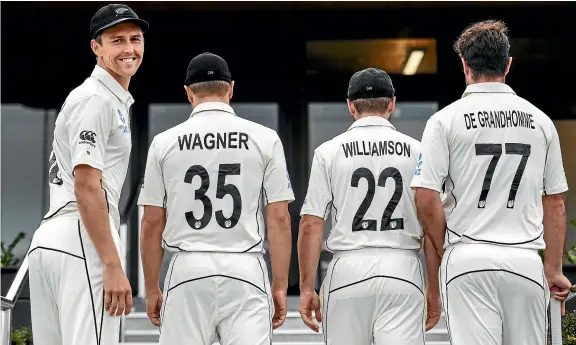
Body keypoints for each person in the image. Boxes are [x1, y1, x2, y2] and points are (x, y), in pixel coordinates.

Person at [411, 19, 571, 345]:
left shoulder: (444, 121)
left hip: (468, 257)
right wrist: (554, 269)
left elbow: (426, 197)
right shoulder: (540, 122)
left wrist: (446, 247)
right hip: (524, 260)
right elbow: (554, 203)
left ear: (465, 66)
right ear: (508, 65)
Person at [138, 52, 294, 345]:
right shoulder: (265, 138)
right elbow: (280, 218)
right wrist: (280, 286)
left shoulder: (163, 142)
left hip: (187, 268)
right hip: (245, 267)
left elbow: (151, 222)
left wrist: (152, 288)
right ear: (231, 88)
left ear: (188, 93)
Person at [27, 4, 148, 345]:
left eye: (135, 39)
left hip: (57, 237)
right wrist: (112, 264)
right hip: (82, 237)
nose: (129, 49)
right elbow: (86, 187)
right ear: (96, 47)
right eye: (117, 40)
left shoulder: (101, 98)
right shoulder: (96, 99)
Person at [298, 67, 442, 345]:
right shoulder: (419, 151)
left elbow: (311, 223)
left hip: (347, 269)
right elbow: (431, 223)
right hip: (403, 268)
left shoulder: (328, 152)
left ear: (350, 106)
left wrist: (306, 287)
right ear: (392, 103)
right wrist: (433, 289)